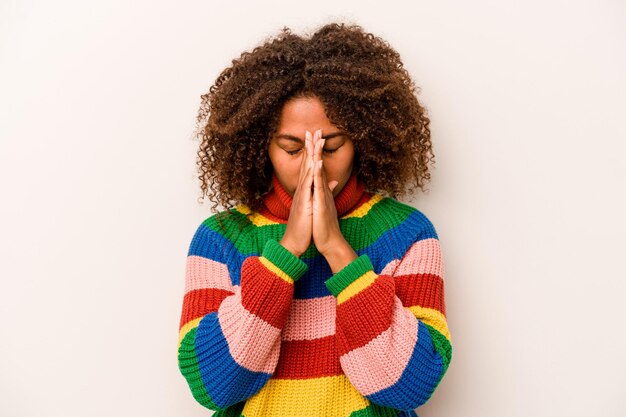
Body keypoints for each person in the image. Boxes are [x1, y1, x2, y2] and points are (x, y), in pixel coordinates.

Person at [177, 22, 452, 417]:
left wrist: (337, 250)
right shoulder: (220, 238)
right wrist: (285, 254)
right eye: (292, 148)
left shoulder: (407, 233)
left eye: (333, 145)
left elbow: (410, 386)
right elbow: (213, 386)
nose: (314, 165)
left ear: (364, 138)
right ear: (261, 147)